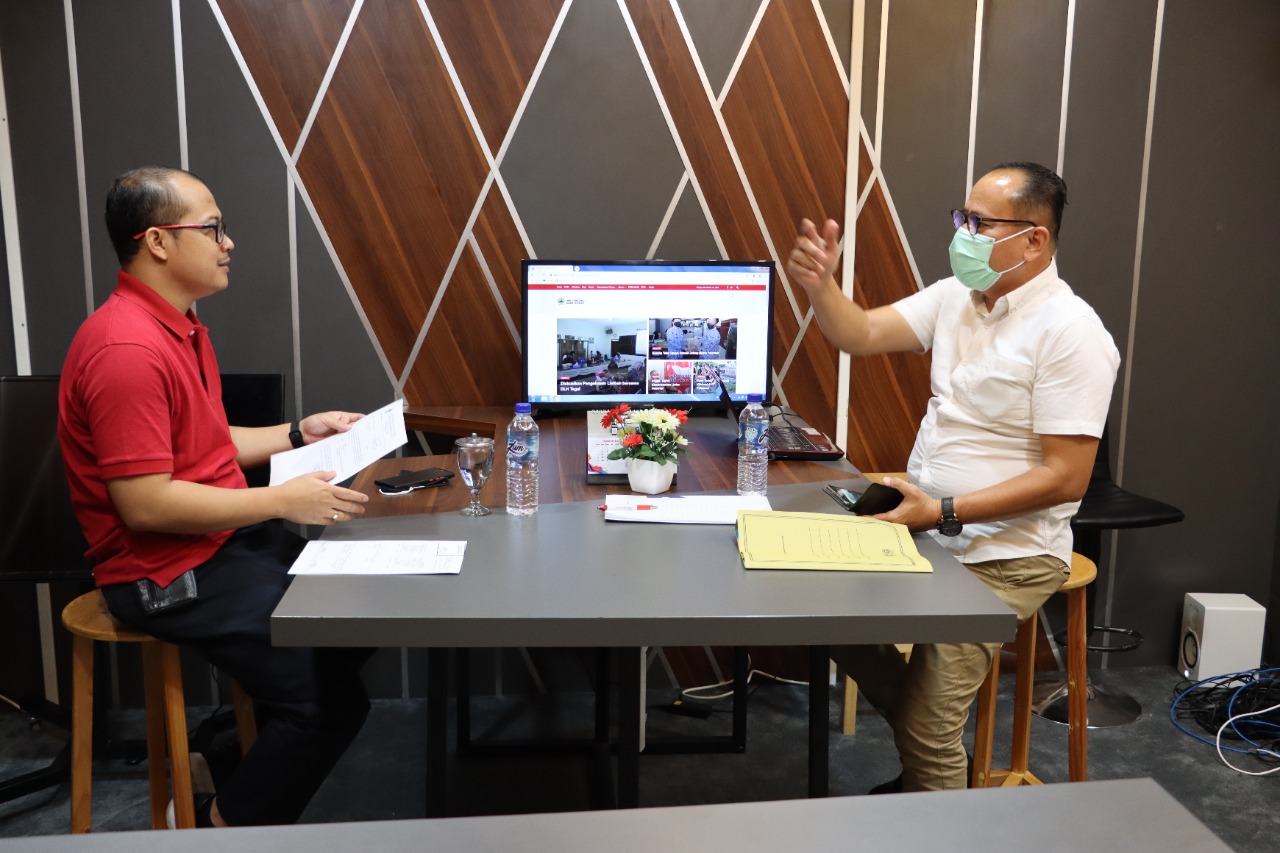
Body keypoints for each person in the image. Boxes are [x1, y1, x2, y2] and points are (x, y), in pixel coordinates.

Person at [787, 162, 1119, 793]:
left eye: (980, 223)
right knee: (823, 612)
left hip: (1008, 552)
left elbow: (1066, 478)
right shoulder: (956, 298)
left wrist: (943, 511)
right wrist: (821, 286)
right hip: (927, 529)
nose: (963, 233)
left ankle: (937, 796)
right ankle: (935, 775)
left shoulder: (1073, 333)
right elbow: (860, 332)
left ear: (1033, 240)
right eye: (962, 217)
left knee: (929, 725)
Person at [58, 166, 374, 827]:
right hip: (161, 570)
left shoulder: (179, 324)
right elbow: (146, 504)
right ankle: (212, 828)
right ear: (157, 241)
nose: (227, 243)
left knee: (357, 619)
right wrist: (281, 501)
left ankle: (223, 757)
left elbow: (206, 442)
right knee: (327, 704)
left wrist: (299, 431)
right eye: (212, 228)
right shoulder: (125, 349)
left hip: (220, 542)